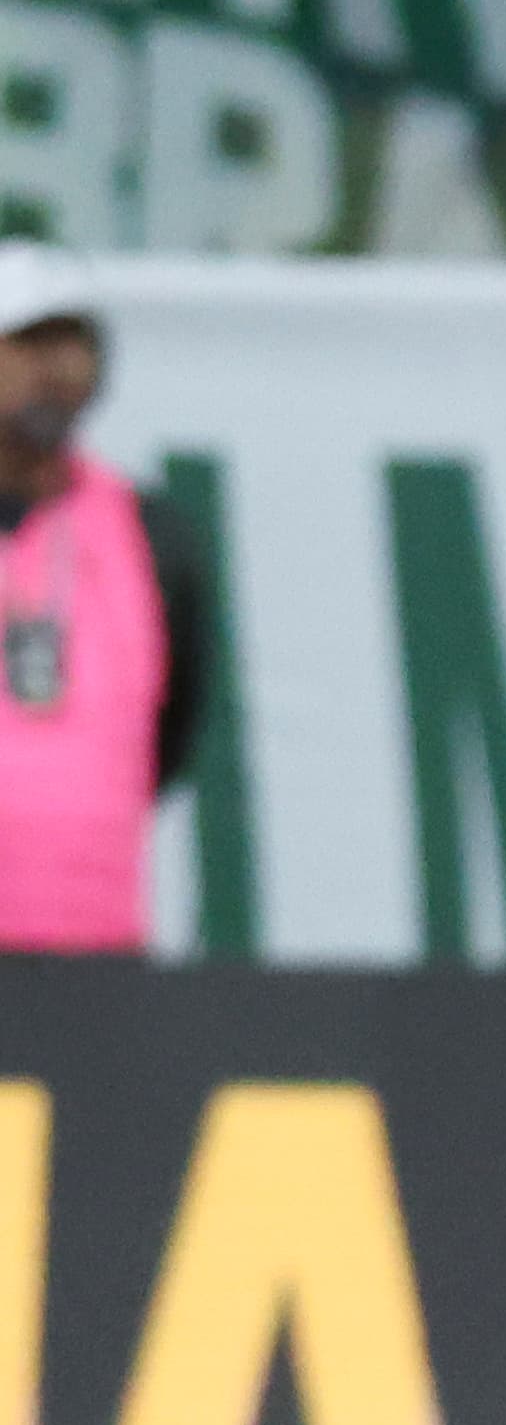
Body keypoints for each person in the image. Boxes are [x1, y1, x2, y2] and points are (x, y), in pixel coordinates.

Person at [0, 244, 208, 955]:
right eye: (30, 342)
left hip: (99, 951)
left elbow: (171, 734)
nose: (59, 369)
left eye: (76, 343)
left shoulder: (149, 533)